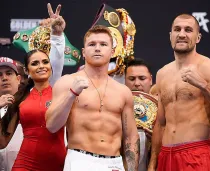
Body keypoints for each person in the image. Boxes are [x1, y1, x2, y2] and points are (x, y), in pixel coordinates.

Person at [148, 14, 210, 171]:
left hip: (196, 153)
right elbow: (161, 124)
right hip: (166, 156)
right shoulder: (162, 73)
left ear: (198, 37)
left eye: (188, 30)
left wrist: (203, 85)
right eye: (177, 29)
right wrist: (153, 163)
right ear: (170, 36)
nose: (182, 34)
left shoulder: (208, 67)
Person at [45, 25, 139, 171]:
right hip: (80, 160)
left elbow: (131, 137)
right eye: (92, 44)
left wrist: (131, 169)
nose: (97, 48)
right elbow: (52, 126)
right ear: (83, 52)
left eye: (103, 44)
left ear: (112, 51)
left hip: (114, 164)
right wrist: (72, 94)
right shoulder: (67, 82)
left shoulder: (123, 92)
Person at [0, 3, 67, 171]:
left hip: (58, 164)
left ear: (51, 67)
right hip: (25, 165)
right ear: (27, 71)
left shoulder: (57, 89)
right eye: (35, 63)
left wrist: (57, 35)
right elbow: (2, 142)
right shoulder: (20, 98)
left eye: (45, 62)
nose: (41, 66)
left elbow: (58, 59)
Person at [0, 57, 23, 171]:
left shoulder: (29, 105)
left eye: (9, 73)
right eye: (0, 75)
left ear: (18, 79)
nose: (4, 78)